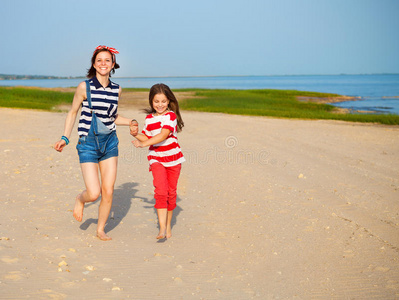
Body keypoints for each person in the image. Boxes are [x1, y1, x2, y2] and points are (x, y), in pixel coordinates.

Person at [54, 45, 138, 241]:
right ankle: (80, 199)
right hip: (88, 143)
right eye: (99, 60)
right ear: (94, 64)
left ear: (113, 64)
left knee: (108, 190)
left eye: (107, 60)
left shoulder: (117, 89)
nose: (103, 63)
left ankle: (100, 229)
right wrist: (65, 137)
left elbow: (112, 117)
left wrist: (131, 122)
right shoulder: (85, 87)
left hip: (110, 143)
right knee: (94, 193)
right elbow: (73, 112)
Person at [131, 83, 185, 240]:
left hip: (174, 158)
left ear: (168, 101)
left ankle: (168, 225)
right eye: (156, 101)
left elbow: (162, 135)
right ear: (151, 102)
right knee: (160, 191)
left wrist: (143, 144)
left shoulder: (171, 116)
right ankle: (162, 228)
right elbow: (147, 137)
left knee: (171, 193)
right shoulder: (149, 119)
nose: (160, 105)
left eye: (163, 101)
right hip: (156, 158)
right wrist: (135, 134)